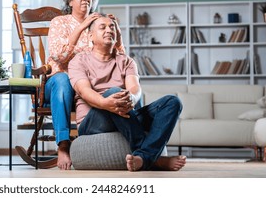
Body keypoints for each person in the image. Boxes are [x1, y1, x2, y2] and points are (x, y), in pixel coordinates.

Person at [68, 14, 187, 171]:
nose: (109, 30)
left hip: (126, 113)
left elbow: (134, 88)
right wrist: (105, 102)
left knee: (172, 102)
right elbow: (84, 91)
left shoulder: (127, 61)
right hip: (93, 121)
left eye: (112, 27)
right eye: (102, 27)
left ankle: (143, 158)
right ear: (90, 36)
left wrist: (132, 97)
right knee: (115, 92)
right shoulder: (79, 60)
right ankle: (154, 159)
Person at [45, 0, 125, 170]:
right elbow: (59, 56)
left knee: (113, 86)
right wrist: (81, 28)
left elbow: (121, 61)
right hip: (59, 84)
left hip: (88, 85)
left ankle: (120, 143)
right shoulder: (60, 22)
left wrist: (117, 33)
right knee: (63, 79)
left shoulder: (99, 25)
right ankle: (63, 145)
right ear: (70, 1)